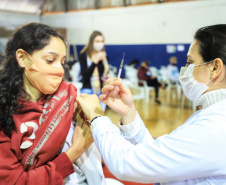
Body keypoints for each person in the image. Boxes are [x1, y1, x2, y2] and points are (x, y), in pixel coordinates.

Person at [76, 24, 226, 184]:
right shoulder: (212, 114)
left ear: (215, 67)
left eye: (190, 62)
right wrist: (128, 113)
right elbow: (158, 157)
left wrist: (97, 116)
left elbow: (127, 164)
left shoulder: (216, 126)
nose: (185, 69)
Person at [0, 23, 95, 185]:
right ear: (23, 58)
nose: (60, 70)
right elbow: (15, 182)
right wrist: (75, 151)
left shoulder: (67, 95)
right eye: (50, 60)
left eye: (63, 62)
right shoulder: (4, 112)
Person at [79, 30, 109, 95]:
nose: (100, 44)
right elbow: (85, 76)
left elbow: (102, 74)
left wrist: (107, 76)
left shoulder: (103, 56)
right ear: (91, 42)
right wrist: (95, 61)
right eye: (97, 41)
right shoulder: (84, 55)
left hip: (101, 90)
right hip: (88, 90)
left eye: (102, 41)